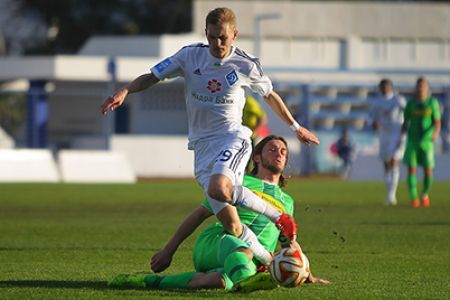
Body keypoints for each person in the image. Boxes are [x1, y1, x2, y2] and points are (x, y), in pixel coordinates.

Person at [101, 7, 319, 264]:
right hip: (202, 146)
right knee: (233, 226)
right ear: (206, 33)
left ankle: (279, 217)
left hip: (232, 137)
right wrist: (126, 90)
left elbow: (270, 95)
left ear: (234, 35)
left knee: (219, 188)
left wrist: (295, 127)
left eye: (223, 37)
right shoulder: (189, 56)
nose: (217, 43)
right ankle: (270, 263)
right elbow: (153, 76)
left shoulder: (245, 64)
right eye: (212, 37)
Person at [108, 135, 330, 292]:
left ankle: (146, 281)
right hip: (216, 242)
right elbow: (200, 213)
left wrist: (305, 272)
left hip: (248, 258)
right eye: (272, 149)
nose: (279, 154)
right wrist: (168, 250)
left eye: (283, 151)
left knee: (219, 281)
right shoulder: (238, 182)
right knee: (242, 250)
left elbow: (288, 242)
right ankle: (248, 279)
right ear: (257, 158)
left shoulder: (287, 202)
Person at [402, 77, 441, 208]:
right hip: (413, 140)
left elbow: (437, 122)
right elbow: (405, 121)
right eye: (419, 86)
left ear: (427, 88)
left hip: (427, 142)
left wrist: (435, 133)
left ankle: (424, 194)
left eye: (423, 86)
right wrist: (401, 135)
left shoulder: (432, 103)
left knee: (428, 170)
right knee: (411, 169)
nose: (421, 88)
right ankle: (414, 198)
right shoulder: (411, 104)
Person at [370, 79, 406, 205]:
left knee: (394, 161)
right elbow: (373, 120)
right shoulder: (377, 102)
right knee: (387, 164)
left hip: (397, 134)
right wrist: (376, 127)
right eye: (383, 87)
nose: (385, 89)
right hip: (384, 135)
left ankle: (392, 194)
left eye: (387, 86)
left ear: (391, 87)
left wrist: (403, 133)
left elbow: (407, 116)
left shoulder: (398, 100)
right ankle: (388, 193)